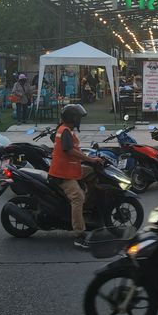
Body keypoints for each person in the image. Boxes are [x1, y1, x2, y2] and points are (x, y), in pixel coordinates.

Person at [48, 105, 103, 249]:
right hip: (62, 173)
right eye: (78, 118)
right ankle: (79, 235)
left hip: (70, 168)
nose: (80, 120)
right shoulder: (65, 131)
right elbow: (69, 151)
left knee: (92, 172)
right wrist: (89, 159)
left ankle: (89, 205)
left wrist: (90, 159)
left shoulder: (64, 129)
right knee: (78, 197)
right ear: (73, 118)